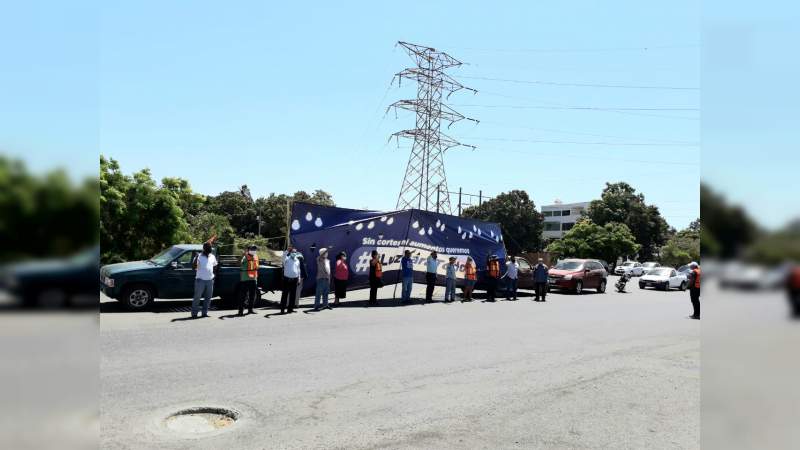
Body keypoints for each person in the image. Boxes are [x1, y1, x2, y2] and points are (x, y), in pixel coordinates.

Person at [191, 242, 218, 318]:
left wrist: (214, 276)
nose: (210, 249)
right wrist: (195, 257)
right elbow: (194, 267)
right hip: (200, 280)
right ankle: (194, 314)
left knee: (208, 297)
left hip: (210, 280)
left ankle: (204, 313)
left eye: (210, 247)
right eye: (209, 247)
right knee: (197, 297)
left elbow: (215, 266)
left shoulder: (212, 256)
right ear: (204, 248)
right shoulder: (198, 256)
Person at [237, 245, 259, 316]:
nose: (254, 250)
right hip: (245, 279)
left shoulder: (256, 256)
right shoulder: (245, 256)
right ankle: (241, 311)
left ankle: (250, 309)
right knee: (243, 296)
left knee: (252, 295)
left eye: (254, 249)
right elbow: (238, 264)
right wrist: (242, 255)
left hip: (253, 279)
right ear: (248, 249)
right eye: (252, 249)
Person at [280, 246, 301, 314]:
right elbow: (283, 257)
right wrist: (287, 251)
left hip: (295, 279)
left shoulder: (297, 260)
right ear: (290, 252)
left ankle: (290, 309)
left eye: (295, 252)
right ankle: (282, 309)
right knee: (285, 295)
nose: (294, 253)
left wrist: (299, 278)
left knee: (293, 295)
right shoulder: (286, 259)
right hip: (287, 279)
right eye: (293, 252)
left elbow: (298, 270)